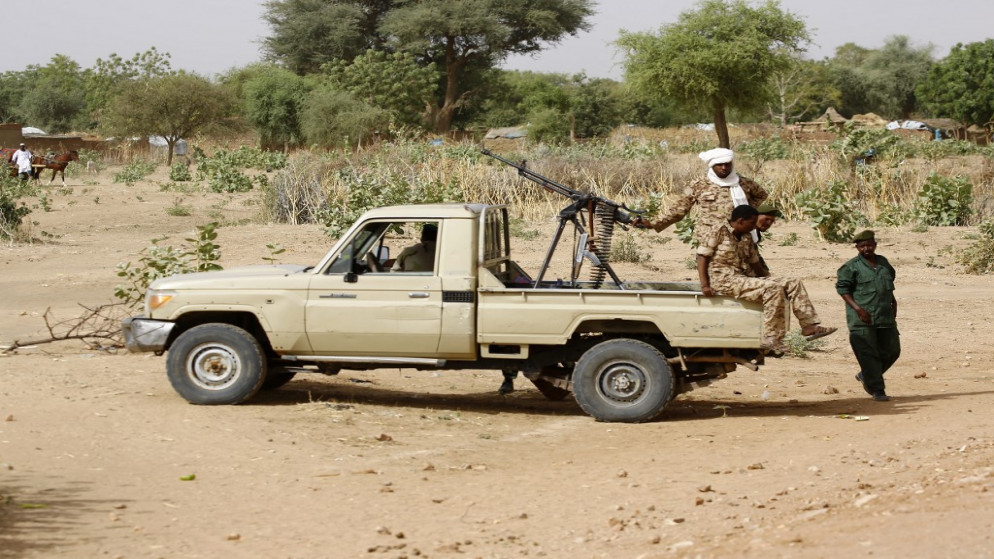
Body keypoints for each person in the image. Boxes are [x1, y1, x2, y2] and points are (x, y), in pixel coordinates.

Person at [697, 205, 836, 356]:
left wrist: (769, 279)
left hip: (743, 278)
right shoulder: (719, 230)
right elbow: (702, 257)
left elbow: (755, 263)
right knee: (772, 288)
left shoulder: (747, 236)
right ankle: (772, 338)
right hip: (724, 280)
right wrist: (705, 285)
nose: (753, 227)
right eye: (751, 223)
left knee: (792, 282)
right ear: (740, 221)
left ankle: (809, 325)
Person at [648, 148, 768, 246]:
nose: (724, 168)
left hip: (740, 237)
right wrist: (653, 223)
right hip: (709, 237)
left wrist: (746, 211)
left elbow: (761, 195)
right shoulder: (699, 184)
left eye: (727, 164)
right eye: (719, 165)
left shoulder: (744, 183)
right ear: (712, 166)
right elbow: (679, 209)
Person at [836, 230, 900, 402]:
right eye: (862, 246)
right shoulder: (851, 267)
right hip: (862, 319)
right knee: (868, 354)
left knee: (892, 351)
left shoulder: (883, 262)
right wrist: (858, 309)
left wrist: (893, 302)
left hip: (884, 315)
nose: (866, 248)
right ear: (857, 247)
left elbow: (888, 283)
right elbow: (843, 289)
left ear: (875, 245)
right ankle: (877, 390)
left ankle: (866, 374)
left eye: (870, 245)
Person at [751, 202, 782, 277]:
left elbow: (756, 256)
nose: (768, 223)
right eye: (766, 219)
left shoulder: (755, 232)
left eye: (772, 221)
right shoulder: (747, 232)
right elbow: (753, 260)